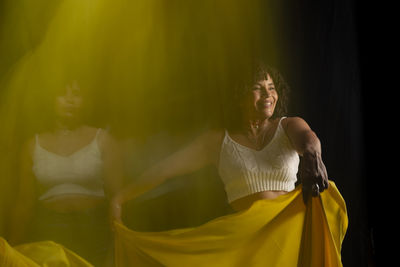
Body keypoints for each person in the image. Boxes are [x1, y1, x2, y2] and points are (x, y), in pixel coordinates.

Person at [110, 62, 347, 266]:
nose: (268, 95)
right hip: (244, 246)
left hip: (290, 238)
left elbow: (309, 139)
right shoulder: (216, 142)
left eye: (272, 88)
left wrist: (313, 157)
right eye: (258, 88)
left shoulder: (288, 126)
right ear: (239, 95)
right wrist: (122, 197)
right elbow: (164, 171)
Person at [8, 80, 124, 267]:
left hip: (93, 227)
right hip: (49, 228)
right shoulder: (32, 145)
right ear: (52, 101)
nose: (70, 100)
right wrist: (13, 246)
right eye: (63, 94)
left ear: (85, 101)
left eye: (76, 94)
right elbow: (24, 202)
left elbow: (117, 195)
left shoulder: (103, 139)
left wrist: (121, 235)